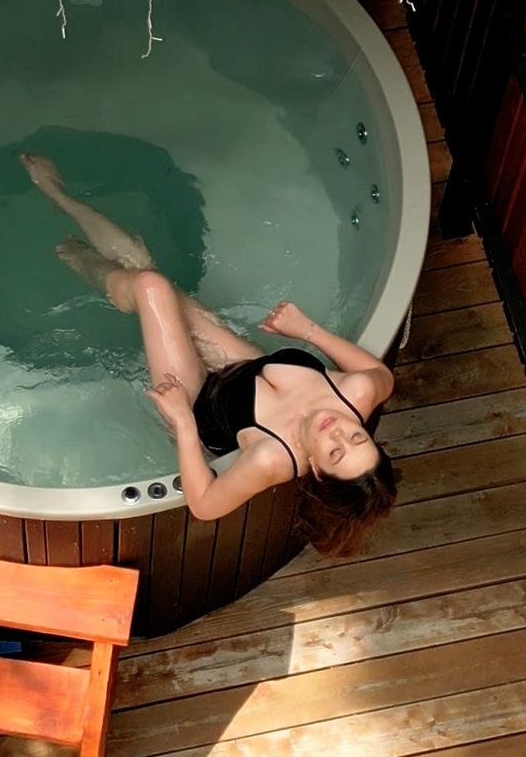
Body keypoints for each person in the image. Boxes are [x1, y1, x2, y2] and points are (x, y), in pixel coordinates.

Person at [20, 152, 397, 554]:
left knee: (150, 286)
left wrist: (183, 422)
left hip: (197, 402)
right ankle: (64, 202)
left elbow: (204, 505)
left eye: (336, 452)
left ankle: (80, 251)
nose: (338, 432)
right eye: (357, 436)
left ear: (318, 470)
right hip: (242, 366)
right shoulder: (357, 392)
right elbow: (384, 377)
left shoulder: (272, 459)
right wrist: (307, 330)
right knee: (146, 269)